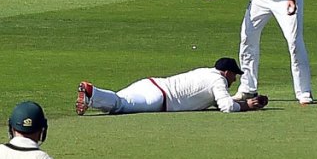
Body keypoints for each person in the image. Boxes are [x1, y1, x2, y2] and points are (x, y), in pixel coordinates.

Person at [75, 57, 267, 115]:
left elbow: (218, 101)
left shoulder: (206, 71)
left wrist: (243, 100)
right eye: (234, 75)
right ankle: (91, 92)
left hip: (151, 84)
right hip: (159, 98)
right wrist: (247, 106)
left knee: (118, 100)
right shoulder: (219, 81)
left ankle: (91, 100)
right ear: (227, 73)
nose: (234, 80)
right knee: (120, 105)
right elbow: (226, 106)